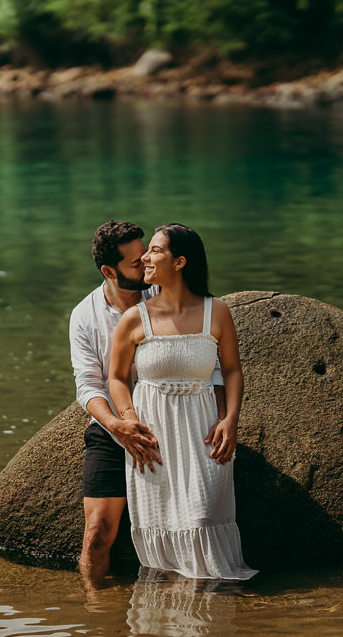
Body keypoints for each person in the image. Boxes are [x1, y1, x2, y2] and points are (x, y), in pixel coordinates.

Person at [69, 220, 226, 590]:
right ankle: (95, 612)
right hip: (115, 428)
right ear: (109, 271)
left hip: (178, 421)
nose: (146, 266)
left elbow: (212, 361)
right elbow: (88, 385)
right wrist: (119, 425)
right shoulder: (85, 315)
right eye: (135, 263)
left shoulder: (168, 289)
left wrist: (222, 418)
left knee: (190, 524)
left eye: (148, 256)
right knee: (96, 534)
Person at [109, 223, 257, 580]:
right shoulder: (135, 318)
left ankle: (211, 609)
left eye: (155, 250)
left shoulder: (216, 311)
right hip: (153, 437)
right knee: (162, 523)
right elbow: (115, 378)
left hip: (204, 430)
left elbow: (233, 371)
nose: (144, 257)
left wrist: (230, 420)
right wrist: (129, 420)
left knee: (204, 514)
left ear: (179, 262)